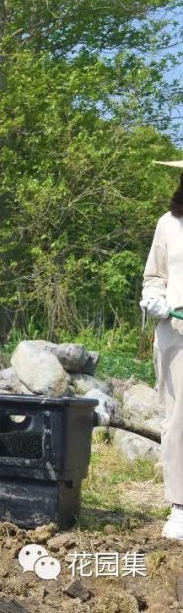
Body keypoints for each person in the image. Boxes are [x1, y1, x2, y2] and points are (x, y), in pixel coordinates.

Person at [140, 160, 183, 541]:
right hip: (176, 334)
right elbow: (155, 275)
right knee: (177, 417)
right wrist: (153, 297)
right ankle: (180, 503)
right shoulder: (169, 224)